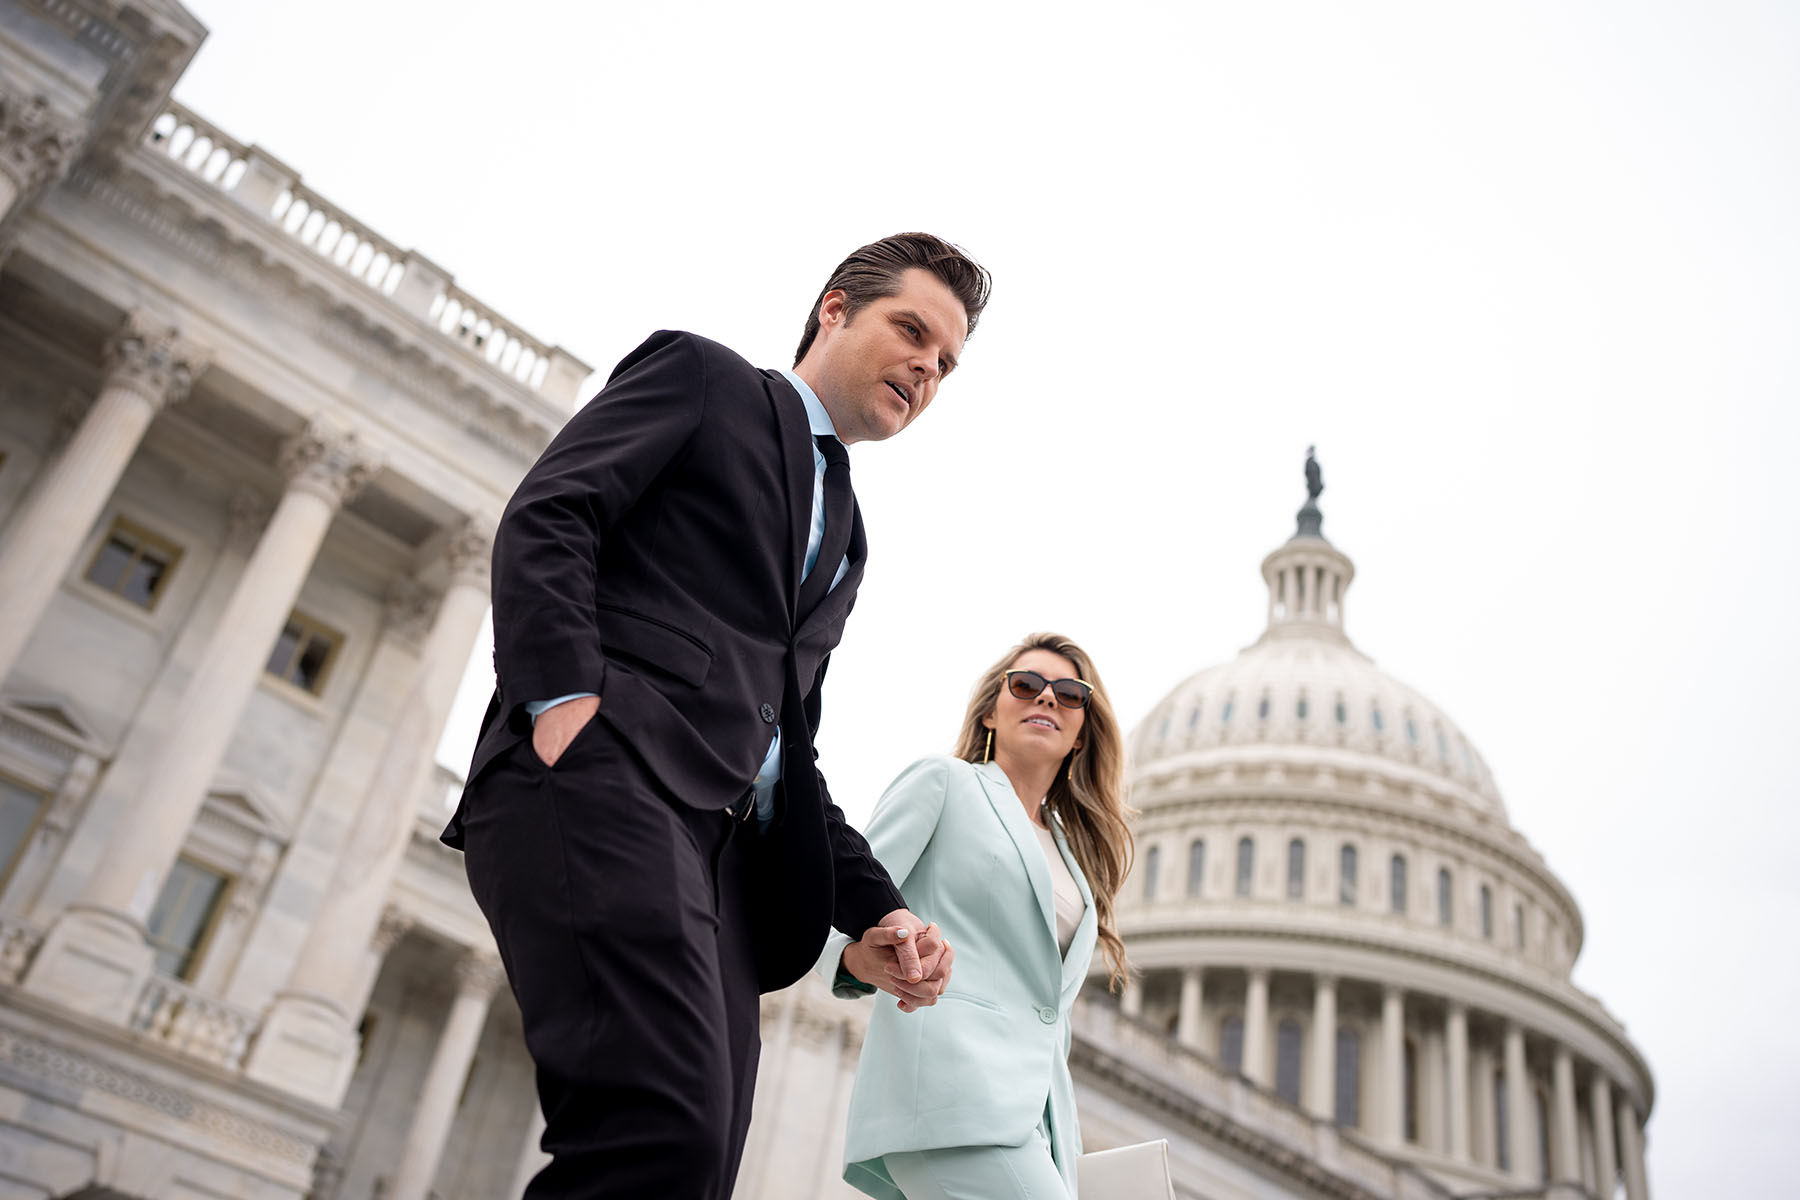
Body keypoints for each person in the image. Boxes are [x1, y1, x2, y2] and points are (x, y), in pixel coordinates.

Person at [441, 234, 991, 1199]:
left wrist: (879, 908)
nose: (926, 369)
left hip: (723, 868)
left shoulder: (850, 536)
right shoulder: (704, 378)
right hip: (607, 782)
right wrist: (564, 704)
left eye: (945, 364)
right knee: (661, 1129)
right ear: (834, 309)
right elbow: (552, 513)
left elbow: (787, 743)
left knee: (693, 1172)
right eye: (912, 331)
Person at [818, 633, 1135, 1200]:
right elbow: (833, 900)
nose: (1046, 699)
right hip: (950, 1095)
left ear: (1082, 733)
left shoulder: (1073, 855)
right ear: (992, 709)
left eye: (1069, 693)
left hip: (1037, 1122)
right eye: (1026, 685)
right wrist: (856, 961)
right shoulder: (944, 783)